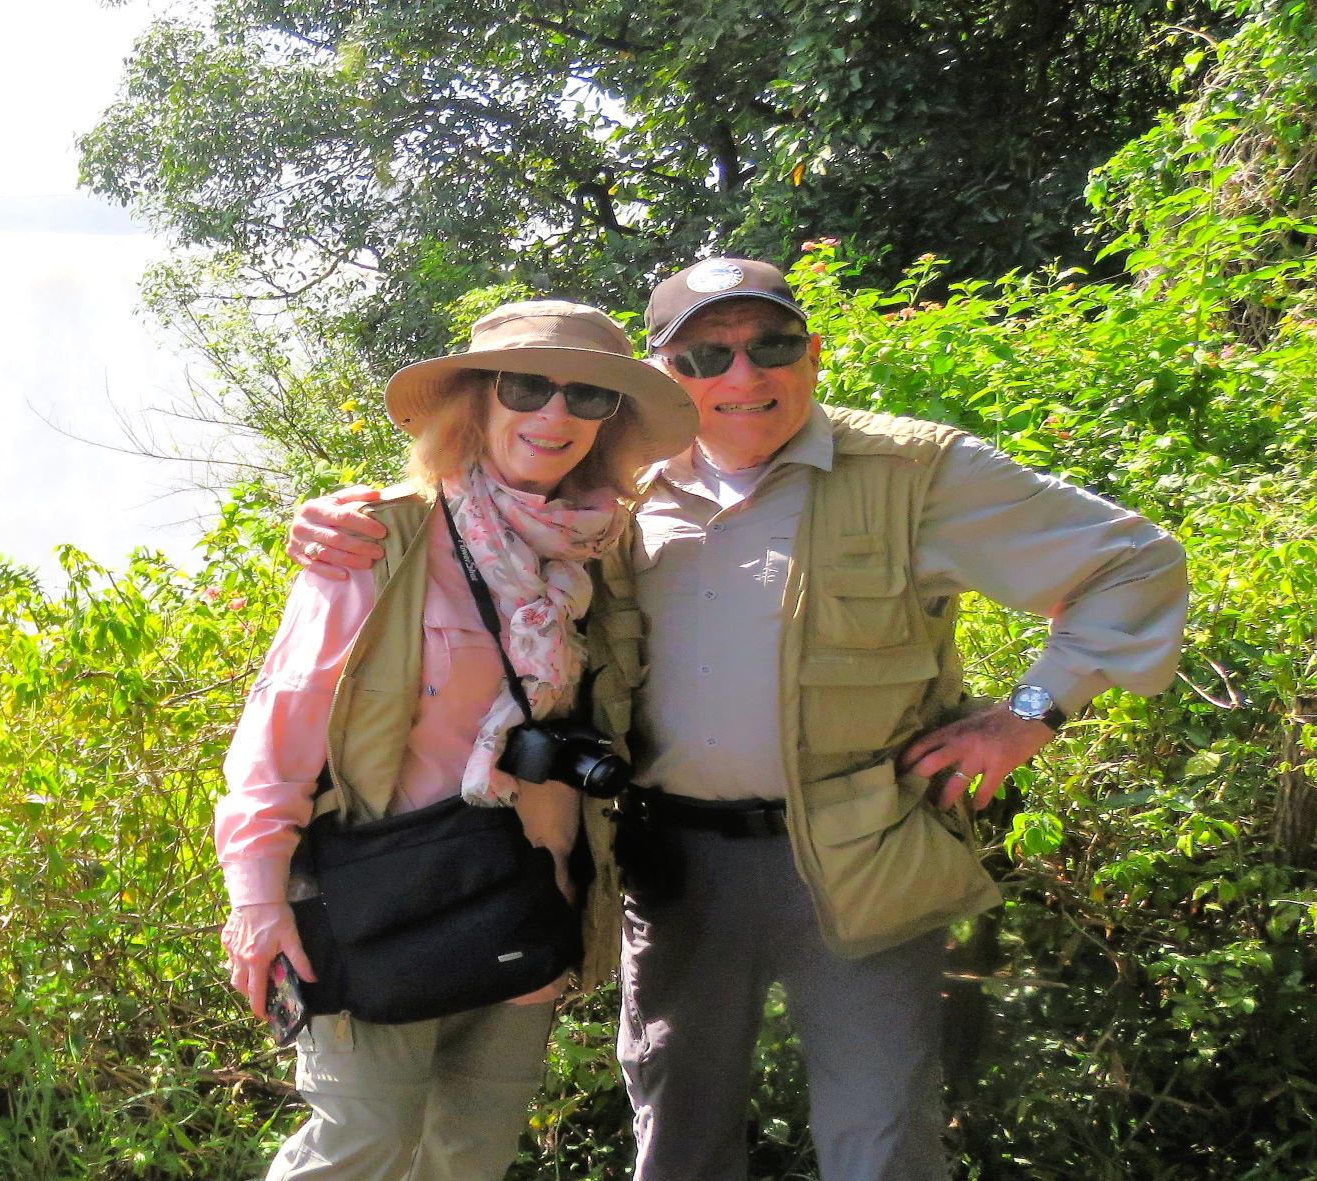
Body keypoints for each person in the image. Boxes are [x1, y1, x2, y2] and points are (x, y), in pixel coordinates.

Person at [289, 259, 1189, 1181]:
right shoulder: (616, 496)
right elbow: (473, 524)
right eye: (705, 356)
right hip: (677, 865)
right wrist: (333, 526)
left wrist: (1026, 716)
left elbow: (1135, 566)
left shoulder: (916, 472)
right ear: (666, 375)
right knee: (676, 1135)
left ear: (813, 351)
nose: (742, 376)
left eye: (772, 345)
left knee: (879, 1142)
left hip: (866, 852)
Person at [216, 300, 697, 1181]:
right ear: (475, 401)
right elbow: (278, 731)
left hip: (524, 897)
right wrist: (257, 899)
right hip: (379, 907)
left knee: (468, 1160)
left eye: (586, 396)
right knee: (357, 1148)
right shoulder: (382, 539)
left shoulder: (605, 553)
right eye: (525, 387)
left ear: (611, 421)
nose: (554, 416)